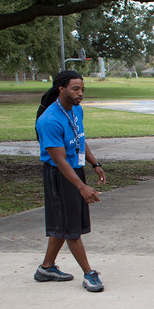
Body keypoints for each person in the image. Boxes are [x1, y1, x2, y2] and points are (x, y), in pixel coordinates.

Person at [33, 70, 106, 292]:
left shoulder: (76, 110)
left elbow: (79, 140)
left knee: (63, 224)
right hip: (60, 175)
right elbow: (59, 159)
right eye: (76, 88)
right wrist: (81, 186)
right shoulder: (49, 121)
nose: (80, 93)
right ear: (61, 88)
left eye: (82, 89)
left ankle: (46, 267)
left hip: (75, 171)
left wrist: (95, 164)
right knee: (71, 226)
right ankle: (89, 273)